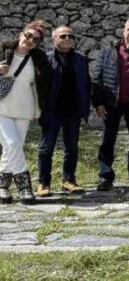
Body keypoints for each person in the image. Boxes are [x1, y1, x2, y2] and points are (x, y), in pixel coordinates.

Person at [93, 18, 129, 191]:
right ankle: (105, 177)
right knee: (108, 140)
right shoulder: (110, 51)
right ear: (123, 31)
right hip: (112, 103)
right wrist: (98, 102)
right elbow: (98, 77)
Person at [37, 25, 90, 196]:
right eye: (63, 36)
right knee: (46, 149)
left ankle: (69, 180)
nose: (67, 39)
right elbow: (39, 86)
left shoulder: (81, 59)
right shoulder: (46, 59)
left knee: (72, 148)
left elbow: (86, 84)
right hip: (51, 111)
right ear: (54, 39)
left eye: (70, 36)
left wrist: (86, 107)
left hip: (73, 112)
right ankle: (43, 183)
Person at [0, 22, 49, 204]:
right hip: (1, 108)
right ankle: (25, 187)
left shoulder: (38, 59)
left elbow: (41, 87)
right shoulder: (3, 50)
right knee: (12, 144)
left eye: (35, 39)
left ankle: (2, 187)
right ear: (21, 34)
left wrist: (38, 110)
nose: (30, 40)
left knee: (12, 148)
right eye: (28, 35)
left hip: (24, 109)